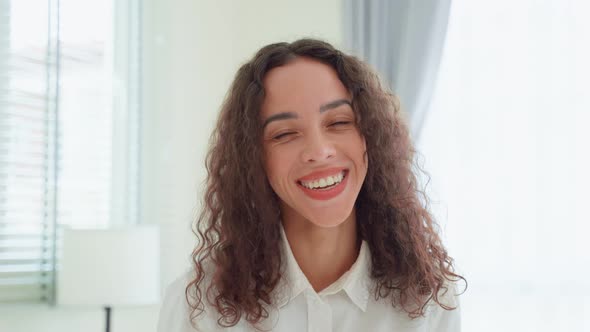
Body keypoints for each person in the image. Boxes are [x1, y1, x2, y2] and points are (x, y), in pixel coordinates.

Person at [157, 38, 465, 332]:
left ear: (370, 138)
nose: (319, 151)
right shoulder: (198, 309)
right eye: (284, 134)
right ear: (253, 159)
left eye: (339, 123)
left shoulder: (431, 300)